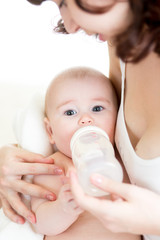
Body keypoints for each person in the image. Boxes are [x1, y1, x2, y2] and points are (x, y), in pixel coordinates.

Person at [0, 1, 160, 239]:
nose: (69, 25)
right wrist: (14, 156)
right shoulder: (56, 167)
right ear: (49, 131)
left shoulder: (116, 164)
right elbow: (40, 220)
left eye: (65, 2)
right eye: (71, 113)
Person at [30, 66, 140, 240]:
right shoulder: (52, 168)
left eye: (97, 108)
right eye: (70, 112)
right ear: (50, 131)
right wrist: (63, 209)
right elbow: (39, 224)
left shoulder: (126, 161)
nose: (86, 119)